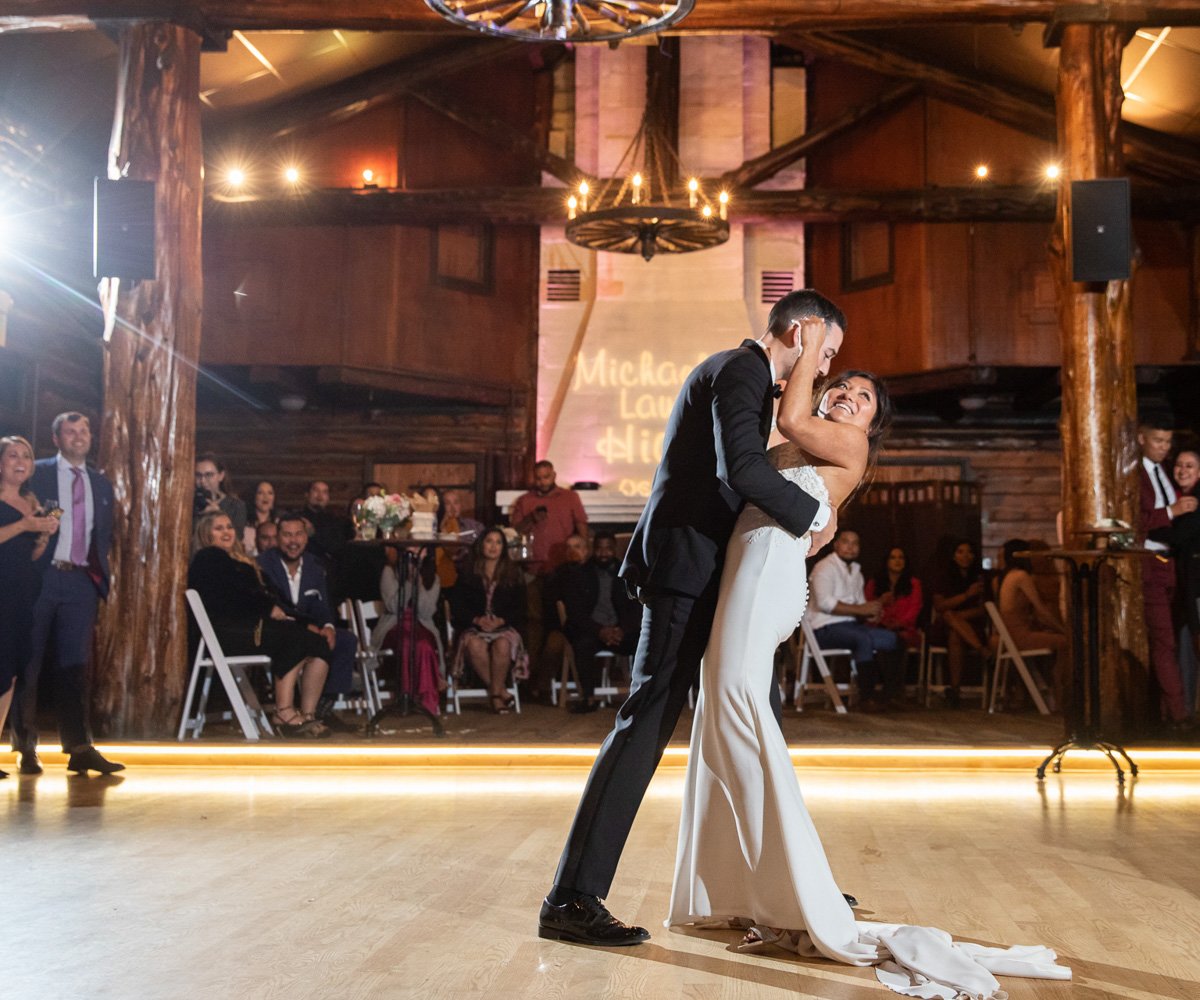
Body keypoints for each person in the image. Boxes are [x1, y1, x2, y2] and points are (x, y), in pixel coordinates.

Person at [667, 327, 1068, 997]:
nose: (848, 398)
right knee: (718, 724)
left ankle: (796, 897)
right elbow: (796, 511)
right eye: (842, 388)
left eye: (861, 398)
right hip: (751, 574)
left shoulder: (838, 440)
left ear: (872, 424)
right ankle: (739, 891)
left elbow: (792, 419)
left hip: (764, 584)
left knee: (739, 718)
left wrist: (814, 336)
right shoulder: (798, 445)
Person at [540, 289, 844, 946]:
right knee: (646, 721)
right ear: (804, 331)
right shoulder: (739, 370)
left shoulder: (743, 379)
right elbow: (736, 470)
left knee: (756, 714)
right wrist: (811, 516)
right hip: (685, 573)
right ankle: (570, 897)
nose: (822, 371)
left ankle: (794, 885)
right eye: (826, 352)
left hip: (711, 575)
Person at [12, 412, 123, 776]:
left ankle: (79, 747)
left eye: (84, 431)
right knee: (28, 663)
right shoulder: (38, 472)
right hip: (40, 577)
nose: (79, 437)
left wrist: (99, 579)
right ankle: (26, 747)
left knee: (74, 666)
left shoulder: (101, 484)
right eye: (70, 432)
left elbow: (103, 536)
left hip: (80, 581)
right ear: (57, 438)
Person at [188, 512, 331, 737]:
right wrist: (267, 609)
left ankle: (307, 715)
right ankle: (283, 712)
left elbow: (273, 595)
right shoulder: (209, 557)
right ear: (206, 534)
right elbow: (235, 595)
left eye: (228, 526)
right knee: (295, 637)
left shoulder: (240, 558)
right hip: (228, 631)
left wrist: (305, 620)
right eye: (218, 528)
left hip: (250, 626)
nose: (226, 532)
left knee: (318, 643)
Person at [257, 514, 359, 733]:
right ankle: (292, 712)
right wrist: (305, 626)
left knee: (345, 640)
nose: (293, 541)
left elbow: (322, 603)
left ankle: (320, 709)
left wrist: (329, 626)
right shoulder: (264, 563)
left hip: (310, 627)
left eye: (298, 534)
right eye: (287, 535)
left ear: (306, 537)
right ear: (278, 537)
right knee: (309, 640)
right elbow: (271, 604)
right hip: (281, 628)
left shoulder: (315, 565)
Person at [0, 436, 60, 778]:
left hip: (22, 595)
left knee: (9, 674)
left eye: (26, 455)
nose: (20, 460)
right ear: (0, 463)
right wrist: (24, 525)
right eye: (12, 455)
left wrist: (42, 537)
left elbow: (31, 556)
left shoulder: (33, 502)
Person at [1137, 417, 1194, 728]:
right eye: (1158, 440)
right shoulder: (1135, 474)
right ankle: (1178, 713)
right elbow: (1136, 518)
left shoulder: (1164, 472)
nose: (1164, 447)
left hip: (1170, 562)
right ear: (1142, 439)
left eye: (1168, 441)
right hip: (1148, 561)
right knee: (1164, 640)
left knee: (1171, 638)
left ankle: (1165, 712)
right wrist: (1172, 511)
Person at [808, 529, 905, 711]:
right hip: (824, 628)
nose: (850, 547)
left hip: (851, 626)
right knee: (863, 640)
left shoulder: (857, 572)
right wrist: (861, 609)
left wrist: (872, 611)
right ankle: (866, 698)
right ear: (836, 544)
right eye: (846, 542)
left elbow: (860, 605)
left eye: (855, 543)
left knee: (894, 639)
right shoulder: (825, 567)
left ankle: (889, 695)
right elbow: (825, 603)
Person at [554, 531, 642, 715]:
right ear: (593, 550)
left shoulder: (627, 573)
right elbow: (575, 611)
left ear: (615, 550)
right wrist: (600, 630)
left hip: (620, 631)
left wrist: (622, 630)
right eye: (599, 549)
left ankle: (640, 698)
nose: (603, 553)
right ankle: (588, 696)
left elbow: (635, 608)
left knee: (644, 644)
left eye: (608, 549)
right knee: (582, 645)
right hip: (591, 630)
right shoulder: (580, 573)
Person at [450, 527, 529, 714]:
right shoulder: (468, 572)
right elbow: (457, 605)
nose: (494, 546)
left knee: (502, 645)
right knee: (474, 644)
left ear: (504, 547)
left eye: (498, 542)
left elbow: (520, 606)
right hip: (475, 626)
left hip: (504, 626)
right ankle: (499, 692)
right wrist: (477, 619)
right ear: (481, 545)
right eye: (489, 541)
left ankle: (495, 693)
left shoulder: (513, 573)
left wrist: (500, 621)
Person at [996, 539, 1068, 710]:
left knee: (1056, 639)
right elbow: (1041, 610)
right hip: (1019, 636)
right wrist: (1063, 629)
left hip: (1010, 633)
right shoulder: (1021, 576)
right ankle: (1060, 688)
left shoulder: (1009, 575)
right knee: (1067, 642)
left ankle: (1053, 690)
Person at [376, 546, 445, 717]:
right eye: (411, 549)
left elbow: (426, 611)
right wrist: (408, 582)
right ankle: (405, 697)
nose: (415, 554)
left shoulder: (433, 578)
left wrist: (418, 583)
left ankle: (427, 699)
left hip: (421, 623)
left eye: (419, 550)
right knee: (406, 642)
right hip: (395, 624)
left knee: (424, 645)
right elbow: (393, 607)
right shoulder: (389, 571)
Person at [1163, 448, 1200, 718]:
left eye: (1189, 466)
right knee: (1187, 642)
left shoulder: (1194, 501)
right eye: (1179, 465)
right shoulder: (1180, 499)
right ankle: (1186, 710)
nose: (1182, 470)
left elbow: (1179, 537)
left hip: (1197, 585)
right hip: (1188, 586)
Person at [930, 539, 987, 708]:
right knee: (949, 619)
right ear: (954, 556)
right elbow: (940, 606)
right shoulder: (943, 577)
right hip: (943, 627)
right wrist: (966, 596)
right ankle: (982, 650)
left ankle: (954, 690)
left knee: (955, 632)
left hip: (971, 625)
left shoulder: (979, 577)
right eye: (960, 552)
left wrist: (957, 616)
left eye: (969, 552)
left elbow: (984, 609)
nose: (965, 556)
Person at [510, 462, 588, 575]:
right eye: (538, 478)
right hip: (533, 565)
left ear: (554, 475)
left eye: (546, 477)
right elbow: (514, 533)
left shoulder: (570, 497)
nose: (542, 482)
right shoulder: (524, 500)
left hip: (564, 563)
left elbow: (581, 525)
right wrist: (531, 518)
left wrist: (584, 553)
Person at [863, 545, 923, 649]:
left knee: (898, 638)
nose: (897, 561)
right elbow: (865, 607)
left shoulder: (914, 584)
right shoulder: (874, 583)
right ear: (886, 561)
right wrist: (880, 601)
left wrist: (897, 624)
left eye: (901, 557)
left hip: (904, 629)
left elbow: (915, 609)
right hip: (877, 627)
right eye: (893, 558)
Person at [194, 453, 247, 535]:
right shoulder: (189, 504)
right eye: (198, 475)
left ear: (221, 476)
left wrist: (218, 514)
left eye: (209, 475)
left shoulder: (236, 505)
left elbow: (237, 538)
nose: (203, 481)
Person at [241, 480, 276, 556]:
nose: (266, 497)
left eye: (270, 493)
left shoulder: (279, 523)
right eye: (260, 493)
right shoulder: (243, 523)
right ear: (254, 496)